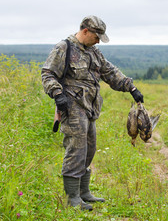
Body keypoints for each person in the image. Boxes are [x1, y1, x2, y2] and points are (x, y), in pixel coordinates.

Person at [41, 15, 144, 211]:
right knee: (76, 150)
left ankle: (84, 192)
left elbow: (110, 72)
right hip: (72, 107)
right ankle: (73, 198)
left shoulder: (94, 53)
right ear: (85, 31)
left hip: (90, 108)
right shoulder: (64, 48)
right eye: (97, 36)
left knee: (90, 148)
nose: (98, 41)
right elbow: (48, 73)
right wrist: (57, 93)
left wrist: (131, 88)